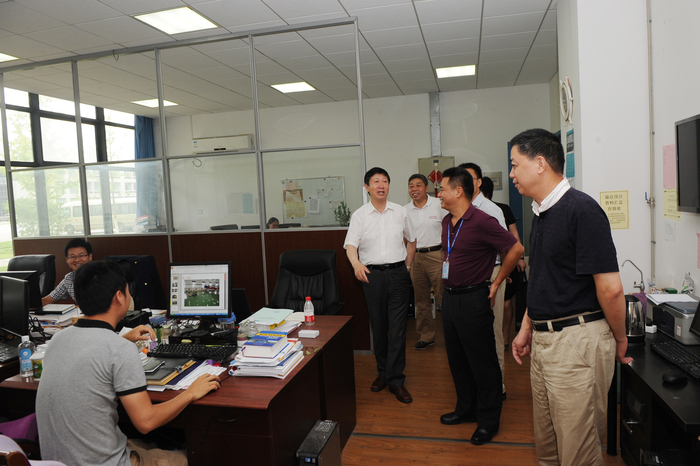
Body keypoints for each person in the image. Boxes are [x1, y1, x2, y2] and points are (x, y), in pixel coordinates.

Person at [509, 128, 632, 466]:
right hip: (545, 341)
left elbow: (611, 288)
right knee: (549, 449)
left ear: (539, 164)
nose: (511, 174)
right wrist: (526, 327)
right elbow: (545, 279)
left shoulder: (582, 210)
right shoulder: (541, 212)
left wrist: (620, 338)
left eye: (515, 164)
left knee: (578, 452)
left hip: (576, 343)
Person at [36, 260, 221, 466]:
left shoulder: (58, 339)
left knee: (149, 444)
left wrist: (122, 338)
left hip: (58, 461)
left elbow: (92, 352)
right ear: (119, 297)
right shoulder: (119, 349)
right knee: (194, 457)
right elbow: (146, 421)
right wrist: (192, 393)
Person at [437, 167, 523, 446]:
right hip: (450, 298)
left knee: (483, 362)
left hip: (474, 298)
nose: (439, 194)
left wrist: (496, 283)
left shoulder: (483, 220)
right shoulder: (446, 221)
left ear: (458, 191)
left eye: (442, 189)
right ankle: (466, 409)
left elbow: (516, 249)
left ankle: (488, 421)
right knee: (458, 359)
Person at [344, 167, 417, 403]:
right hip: (372, 276)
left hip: (398, 275)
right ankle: (383, 373)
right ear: (367, 187)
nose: (381, 185)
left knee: (398, 328)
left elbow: (412, 240)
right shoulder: (360, 215)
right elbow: (350, 246)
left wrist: (407, 266)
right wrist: (356, 264)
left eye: (384, 181)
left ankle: (396, 380)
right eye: (376, 181)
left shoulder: (400, 212)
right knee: (379, 326)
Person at [459, 162, 509, 399]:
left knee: (492, 331)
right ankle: (477, 385)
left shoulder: (490, 210)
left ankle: (497, 386)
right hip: (467, 278)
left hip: (490, 275)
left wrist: (500, 278)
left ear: (479, 182)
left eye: (470, 178)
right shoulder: (458, 209)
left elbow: (508, 248)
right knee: (471, 333)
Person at [481, 176, 527, 350]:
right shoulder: (470, 210)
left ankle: (505, 336)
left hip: (506, 260)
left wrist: (519, 258)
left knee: (507, 303)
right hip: (490, 264)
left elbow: (514, 235)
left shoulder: (501, 209)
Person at [404, 173, 447, 350]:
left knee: (444, 296)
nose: (414, 189)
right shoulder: (404, 210)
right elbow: (403, 237)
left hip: (436, 255)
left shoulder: (439, 204)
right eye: (411, 186)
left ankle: (453, 335)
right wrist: (407, 261)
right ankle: (426, 336)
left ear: (426, 188)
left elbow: (450, 228)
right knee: (421, 300)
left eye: (418, 185)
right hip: (415, 258)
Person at [41, 238, 93, 306]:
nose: (77, 260)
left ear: (90, 257)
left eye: (81, 255)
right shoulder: (69, 278)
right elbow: (46, 300)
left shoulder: (101, 275)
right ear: (67, 259)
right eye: (72, 257)